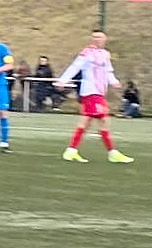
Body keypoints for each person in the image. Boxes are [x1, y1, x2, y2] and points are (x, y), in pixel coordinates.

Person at [55, 31, 135, 163]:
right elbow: (75, 67)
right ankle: (112, 153)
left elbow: (108, 71)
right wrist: (63, 80)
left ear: (105, 39)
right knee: (102, 119)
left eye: (99, 37)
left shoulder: (105, 54)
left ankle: (71, 150)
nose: (97, 39)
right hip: (90, 92)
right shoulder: (86, 53)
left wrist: (113, 81)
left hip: (99, 92)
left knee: (87, 122)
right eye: (94, 37)